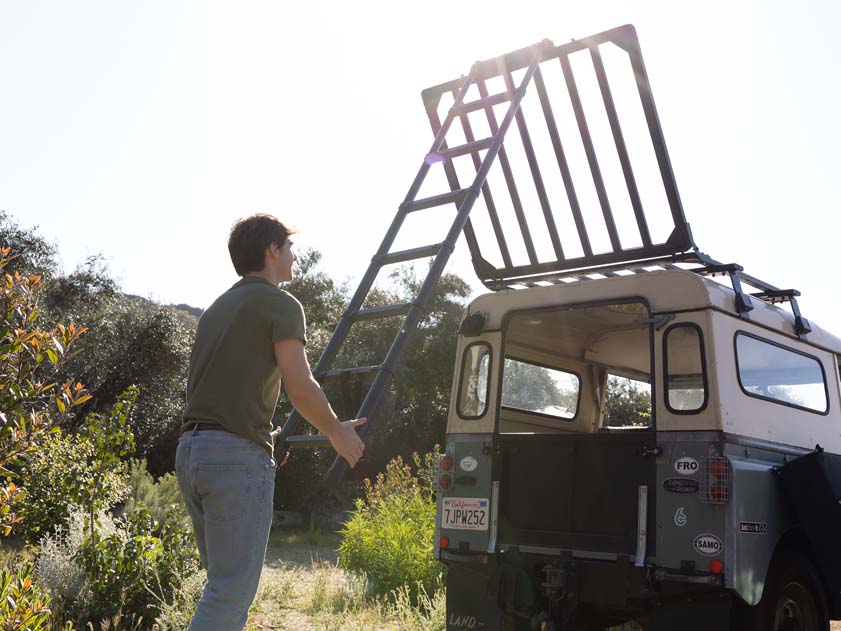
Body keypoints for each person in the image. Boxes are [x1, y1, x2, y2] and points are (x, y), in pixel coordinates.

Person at [175, 214, 366, 631]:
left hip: (192, 454)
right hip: (233, 459)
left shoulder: (215, 310)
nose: (294, 255)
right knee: (230, 593)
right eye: (289, 247)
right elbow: (300, 384)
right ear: (271, 250)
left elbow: (213, 394)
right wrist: (337, 430)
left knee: (222, 589)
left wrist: (262, 437)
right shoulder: (280, 303)